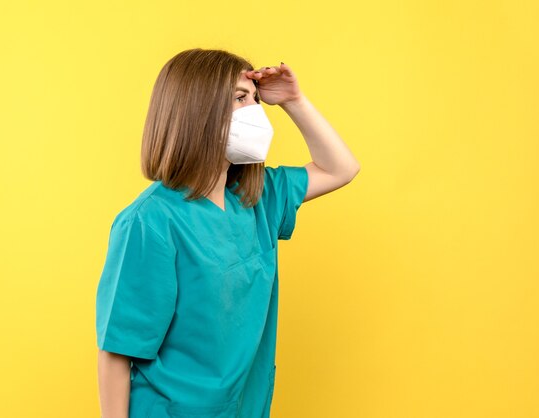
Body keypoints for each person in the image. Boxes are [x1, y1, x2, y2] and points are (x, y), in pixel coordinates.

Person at [95, 48, 360, 418]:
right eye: (239, 98)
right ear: (198, 109)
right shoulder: (150, 221)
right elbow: (118, 351)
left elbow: (341, 168)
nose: (254, 111)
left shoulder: (258, 198)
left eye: (255, 100)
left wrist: (293, 101)